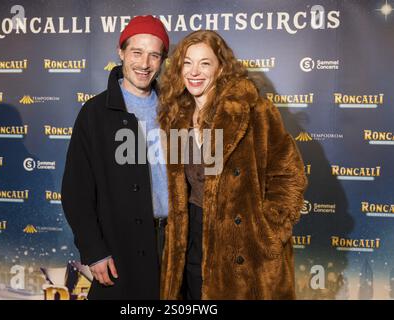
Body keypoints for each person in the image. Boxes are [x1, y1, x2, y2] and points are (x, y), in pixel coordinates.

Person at [158, 30, 308, 300]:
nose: (194, 71)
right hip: (191, 238)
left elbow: (289, 173)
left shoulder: (254, 110)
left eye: (205, 63)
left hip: (244, 246)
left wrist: (267, 232)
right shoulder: (177, 115)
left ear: (221, 67)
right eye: (187, 63)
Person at [61, 15, 170, 300]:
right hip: (119, 248)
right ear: (121, 52)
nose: (144, 64)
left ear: (162, 60)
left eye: (154, 55)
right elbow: (76, 192)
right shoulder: (94, 113)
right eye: (136, 52)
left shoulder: (176, 110)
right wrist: (94, 252)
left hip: (173, 245)